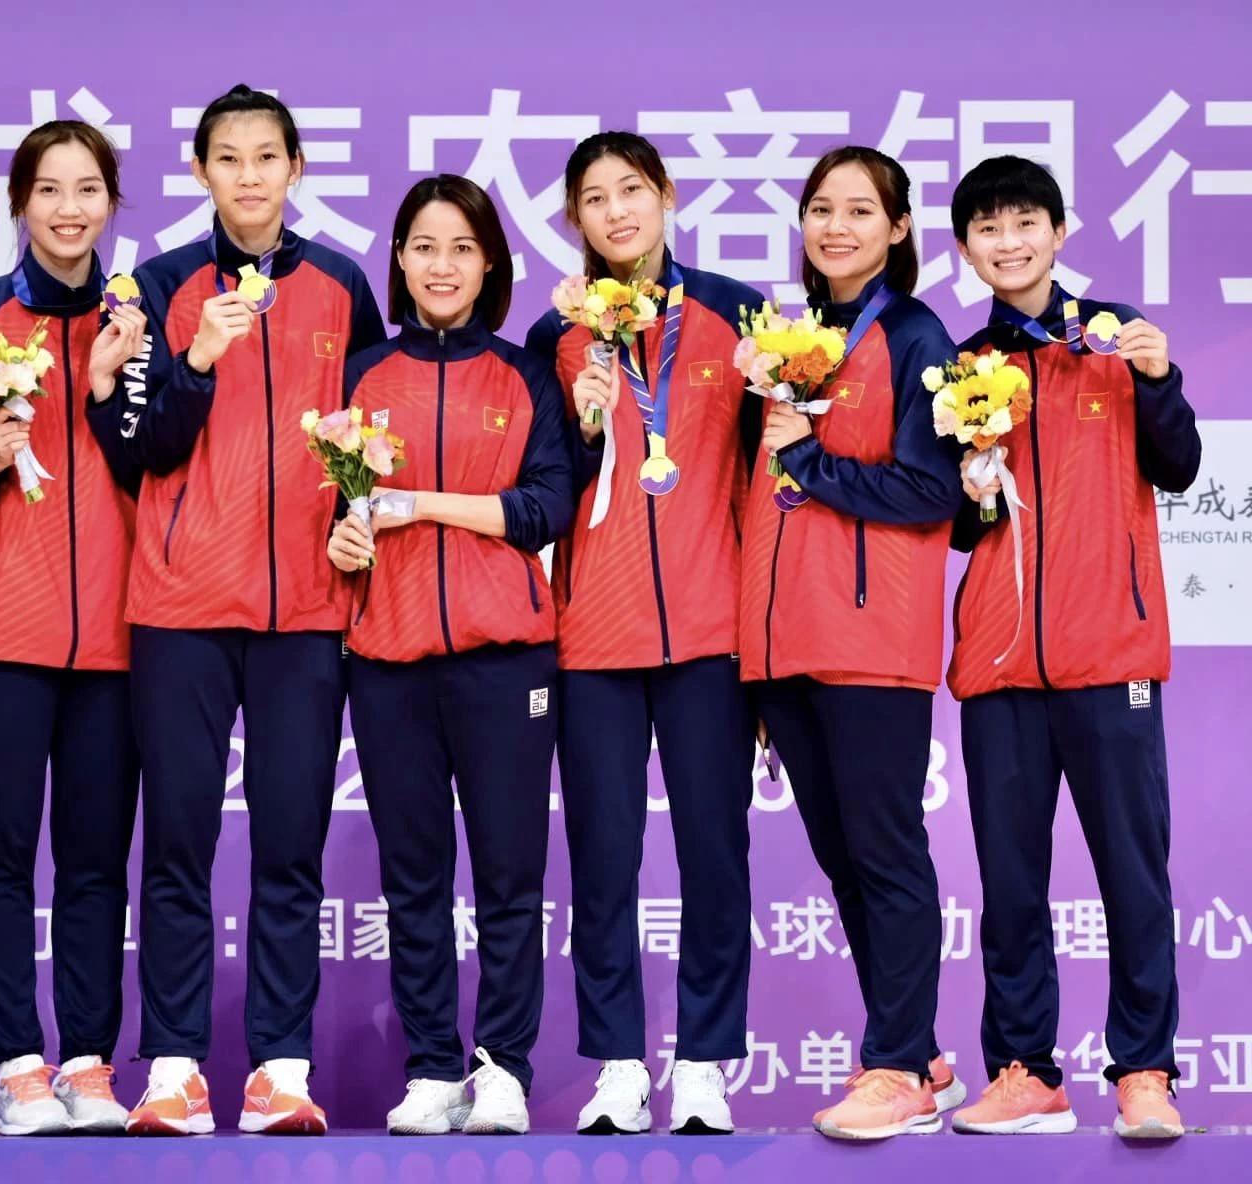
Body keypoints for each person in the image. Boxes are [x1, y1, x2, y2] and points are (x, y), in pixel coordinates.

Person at [101, 84, 384, 1136]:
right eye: (229, 158)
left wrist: (352, 527)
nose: (250, 175)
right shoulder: (160, 285)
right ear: (200, 171)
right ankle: (174, 1066)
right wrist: (195, 360)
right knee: (177, 841)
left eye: (268, 156)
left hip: (306, 611)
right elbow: (137, 446)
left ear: (296, 168)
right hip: (180, 605)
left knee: (289, 845)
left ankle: (279, 1068)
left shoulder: (343, 285)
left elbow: (369, 440)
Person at [944, 155, 1198, 1141]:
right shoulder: (961, 366)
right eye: (988, 229)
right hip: (998, 662)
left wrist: (1158, 379)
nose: (1008, 243)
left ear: (1059, 231)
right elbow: (954, 529)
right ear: (966, 249)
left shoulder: (1116, 339)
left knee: (1134, 876)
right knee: (1010, 884)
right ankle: (1024, 1069)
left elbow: (1178, 465)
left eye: (1025, 223)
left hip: (1111, 655)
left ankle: (1144, 1070)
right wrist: (971, 492)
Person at [524, 131, 762, 1135]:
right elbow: (547, 491)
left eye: (631, 189)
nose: (616, 211)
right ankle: (619, 1063)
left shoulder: (738, 317)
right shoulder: (556, 334)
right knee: (603, 858)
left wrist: (760, 641)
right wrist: (583, 429)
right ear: (574, 218)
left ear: (666, 195)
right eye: (594, 198)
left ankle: (704, 1062)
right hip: (594, 639)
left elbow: (761, 482)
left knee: (715, 854)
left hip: (712, 636)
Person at [328, 173, 572, 1136]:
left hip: (506, 658)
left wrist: (417, 504)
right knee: (413, 875)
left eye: (462, 249)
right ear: (399, 259)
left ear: (490, 265)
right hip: (386, 657)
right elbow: (330, 511)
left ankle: (502, 1067)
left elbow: (545, 507)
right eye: (424, 247)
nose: (442, 266)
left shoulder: (524, 374)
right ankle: (432, 1067)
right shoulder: (362, 376)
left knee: (510, 874)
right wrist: (347, 538)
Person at [0, 119, 148, 1136]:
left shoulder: (141, 321)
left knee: (96, 859)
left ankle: (89, 1064)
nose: (68, 208)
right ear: (19, 201)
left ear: (112, 202)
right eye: (48, 188)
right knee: (2, 852)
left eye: (88, 188)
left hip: (120, 633)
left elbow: (164, 456)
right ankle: (18, 1066)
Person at [735, 145, 965, 1140]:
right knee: (845, 861)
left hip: (872, 638)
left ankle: (897, 1062)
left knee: (887, 853)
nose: (836, 227)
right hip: (782, 642)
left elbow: (932, 489)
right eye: (821, 208)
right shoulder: (786, 339)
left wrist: (813, 461)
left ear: (899, 228)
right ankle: (919, 1056)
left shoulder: (915, 336)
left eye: (860, 210)